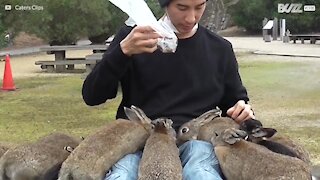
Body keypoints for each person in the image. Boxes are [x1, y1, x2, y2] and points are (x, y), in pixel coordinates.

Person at [82, 0, 255, 179]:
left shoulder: (219, 48)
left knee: (200, 172)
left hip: (196, 141)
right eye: (182, 7)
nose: (191, 18)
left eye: (199, 7)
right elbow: (92, 96)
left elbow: (235, 101)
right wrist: (122, 52)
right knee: (122, 175)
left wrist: (242, 109)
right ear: (165, 4)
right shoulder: (135, 39)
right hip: (140, 140)